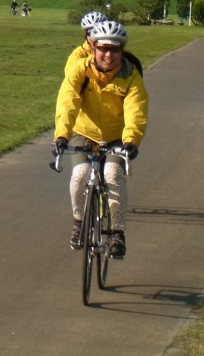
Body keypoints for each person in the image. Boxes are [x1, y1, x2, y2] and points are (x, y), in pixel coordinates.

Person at [51, 19, 148, 259]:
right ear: (92, 47)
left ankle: (117, 232)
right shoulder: (79, 70)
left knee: (113, 175)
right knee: (79, 177)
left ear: (122, 51)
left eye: (115, 49)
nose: (108, 54)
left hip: (117, 137)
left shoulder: (131, 75)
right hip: (84, 134)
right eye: (103, 47)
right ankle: (78, 220)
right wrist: (62, 135)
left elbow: (136, 110)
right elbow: (67, 103)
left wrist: (131, 140)